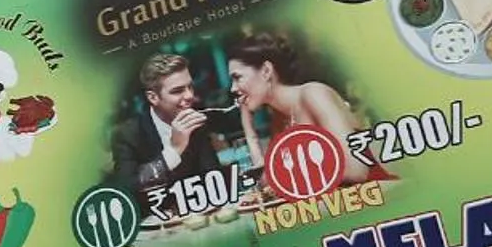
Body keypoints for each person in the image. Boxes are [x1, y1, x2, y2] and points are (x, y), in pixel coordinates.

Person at [226, 31, 363, 184]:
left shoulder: (314, 94)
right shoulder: (280, 117)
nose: (233, 89)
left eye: (237, 78)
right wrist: (248, 128)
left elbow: (356, 171)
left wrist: (295, 180)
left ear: (266, 71)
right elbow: (268, 182)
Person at [110, 53, 224, 199]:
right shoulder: (127, 134)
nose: (189, 96)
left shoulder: (195, 124)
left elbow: (215, 180)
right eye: (177, 91)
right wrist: (173, 151)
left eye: (190, 87)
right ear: (153, 97)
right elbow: (126, 190)